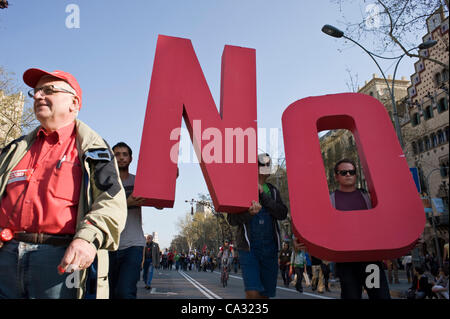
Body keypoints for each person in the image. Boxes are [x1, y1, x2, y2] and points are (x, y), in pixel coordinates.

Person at [0, 68, 127, 298]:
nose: (38, 96)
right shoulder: (14, 150)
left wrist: (87, 239)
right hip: (4, 257)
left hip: (57, 261)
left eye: (48, 90)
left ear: (74, 102)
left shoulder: (94, 149)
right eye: (36, 92)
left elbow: (111, 200)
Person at [227, 153, 288, 299]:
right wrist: (249, 213)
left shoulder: (273, 191)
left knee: (265, 295)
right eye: (262, 164)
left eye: (268, 164)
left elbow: (282, 213)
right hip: (248, 249)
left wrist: (262, 196)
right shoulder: (241, 189)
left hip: (270, 248)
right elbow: (232, 219)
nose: (265, 167)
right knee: (252, 292)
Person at [331, 159, 391, 299]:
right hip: (346, 262)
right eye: (343, 172)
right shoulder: (331, 200)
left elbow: (382, 222)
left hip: (371, 261)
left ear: (356, 175)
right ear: (336, 176)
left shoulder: (368, 197)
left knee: (380, 296)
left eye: (351, 172)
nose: (348, 175)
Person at [107, 142, 146, 299]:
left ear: (131, 158)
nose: (121, 157)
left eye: (125, 154)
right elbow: (98, 208)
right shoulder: (105, 183)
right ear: (112, 158)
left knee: (125, 292)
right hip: (108, 245)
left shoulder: (140, 182)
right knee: (109, 293)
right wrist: (127, 202)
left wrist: (169, 178)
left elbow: (159, 205)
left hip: (133, 245)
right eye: (117, 154)